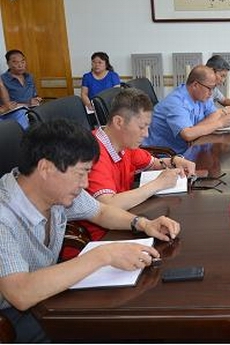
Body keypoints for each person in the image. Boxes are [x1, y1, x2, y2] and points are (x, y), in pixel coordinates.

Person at [0, 119, 181, 342]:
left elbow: (100, 212)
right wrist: (103, 255)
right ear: (45, 168)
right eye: (81, 173)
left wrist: (143, 224)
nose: (85, 184)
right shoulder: (3, 215)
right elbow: (20, 293)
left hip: (45, 297)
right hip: (11, 320)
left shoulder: (53, 191)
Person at [79, 88, 195, 244]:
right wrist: (158, 184)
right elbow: (108, 205)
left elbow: (153, 163)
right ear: (119, 122)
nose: (146, 134)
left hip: (125, 222)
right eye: (141, 127)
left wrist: (175, 161)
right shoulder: (93, 152)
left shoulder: (124, 143)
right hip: (100, 237)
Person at [144, 65, 230, 153]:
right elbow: (187, 135)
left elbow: (214, 114)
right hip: (165, 154)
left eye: (213, 88)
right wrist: (219, 123)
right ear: (195, 85)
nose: (211, 93)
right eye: (209, 88)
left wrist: (195, 130)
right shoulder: (177, 102)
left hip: (189, 147)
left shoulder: (202, 95)